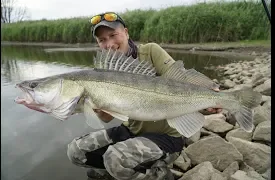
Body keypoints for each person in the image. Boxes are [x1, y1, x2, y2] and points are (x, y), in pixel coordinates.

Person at [67, 12, 221, 180]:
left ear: (126, 32)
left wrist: (209, 95)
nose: (109, 44)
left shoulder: (150, 52)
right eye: (102, 40)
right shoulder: (103, 72)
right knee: (76, 151)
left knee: (115, 157)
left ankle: (160, 175)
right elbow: (106, 118)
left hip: (167, 138)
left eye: (113, 35)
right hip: (131, 131)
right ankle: (117, 172)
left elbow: (179, 79)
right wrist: (92, 105)